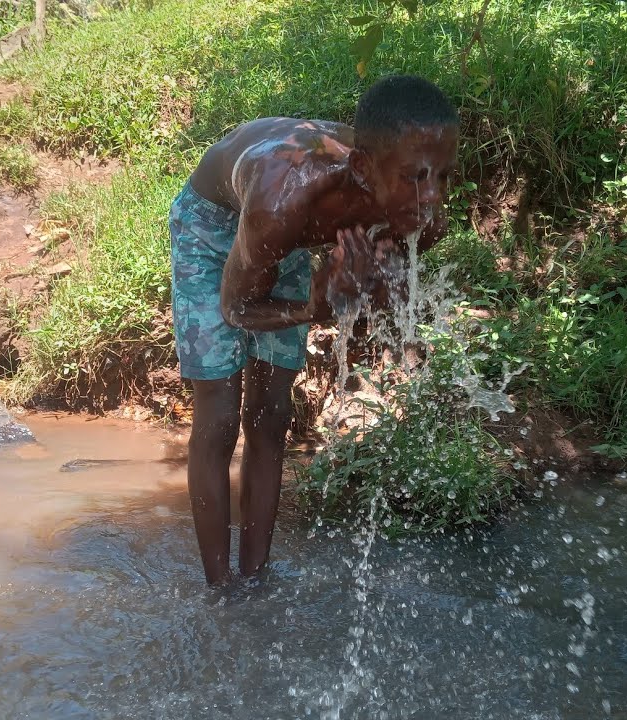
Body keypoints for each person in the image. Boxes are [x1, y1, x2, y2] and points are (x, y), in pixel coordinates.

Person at [168, 74, 459, 585]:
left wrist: (367, 289)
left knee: (271, 413)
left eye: (444, 177)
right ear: (365, 169)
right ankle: (220, 589)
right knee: (219, 411)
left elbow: (381, 308)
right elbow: (236, 309)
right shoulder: (282, 201)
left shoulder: (421, 215)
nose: (432, 197)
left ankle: (254, 577)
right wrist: (313, 307)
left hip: (296, 235)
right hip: (216, 222)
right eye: (415, 177)